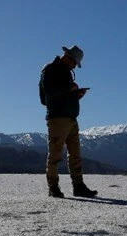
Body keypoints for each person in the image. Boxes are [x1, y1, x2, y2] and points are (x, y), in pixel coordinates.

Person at [39, 45, 98, 198]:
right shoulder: (50, 69)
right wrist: (69, 89)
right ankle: (53, 187)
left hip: (70, 117)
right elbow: (48, 94)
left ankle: (78, 186)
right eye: (75, 64)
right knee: (55, 154)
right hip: (58, 118)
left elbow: (60, 93)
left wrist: (76, 94)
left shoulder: (64, 72)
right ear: (69, 58)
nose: (75, 67)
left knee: (75, 154)